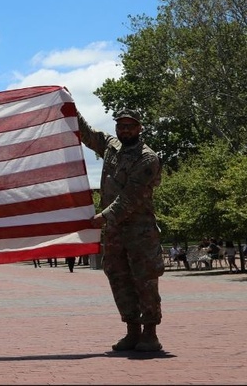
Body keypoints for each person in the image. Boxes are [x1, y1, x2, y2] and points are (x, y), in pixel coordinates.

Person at [77, 108, 164, 353]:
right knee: (119, 278)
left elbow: (130, 198)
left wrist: (103, 217)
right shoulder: (112, 147)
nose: (125, 130)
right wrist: (69, 105)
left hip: (140, 231)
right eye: (121, 125)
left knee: (144, 280)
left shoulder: (147, 158)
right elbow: (87, 134)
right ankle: (132, 331)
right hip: (115, 231)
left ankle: (150, 333)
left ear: (140, 128)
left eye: (130, 126)